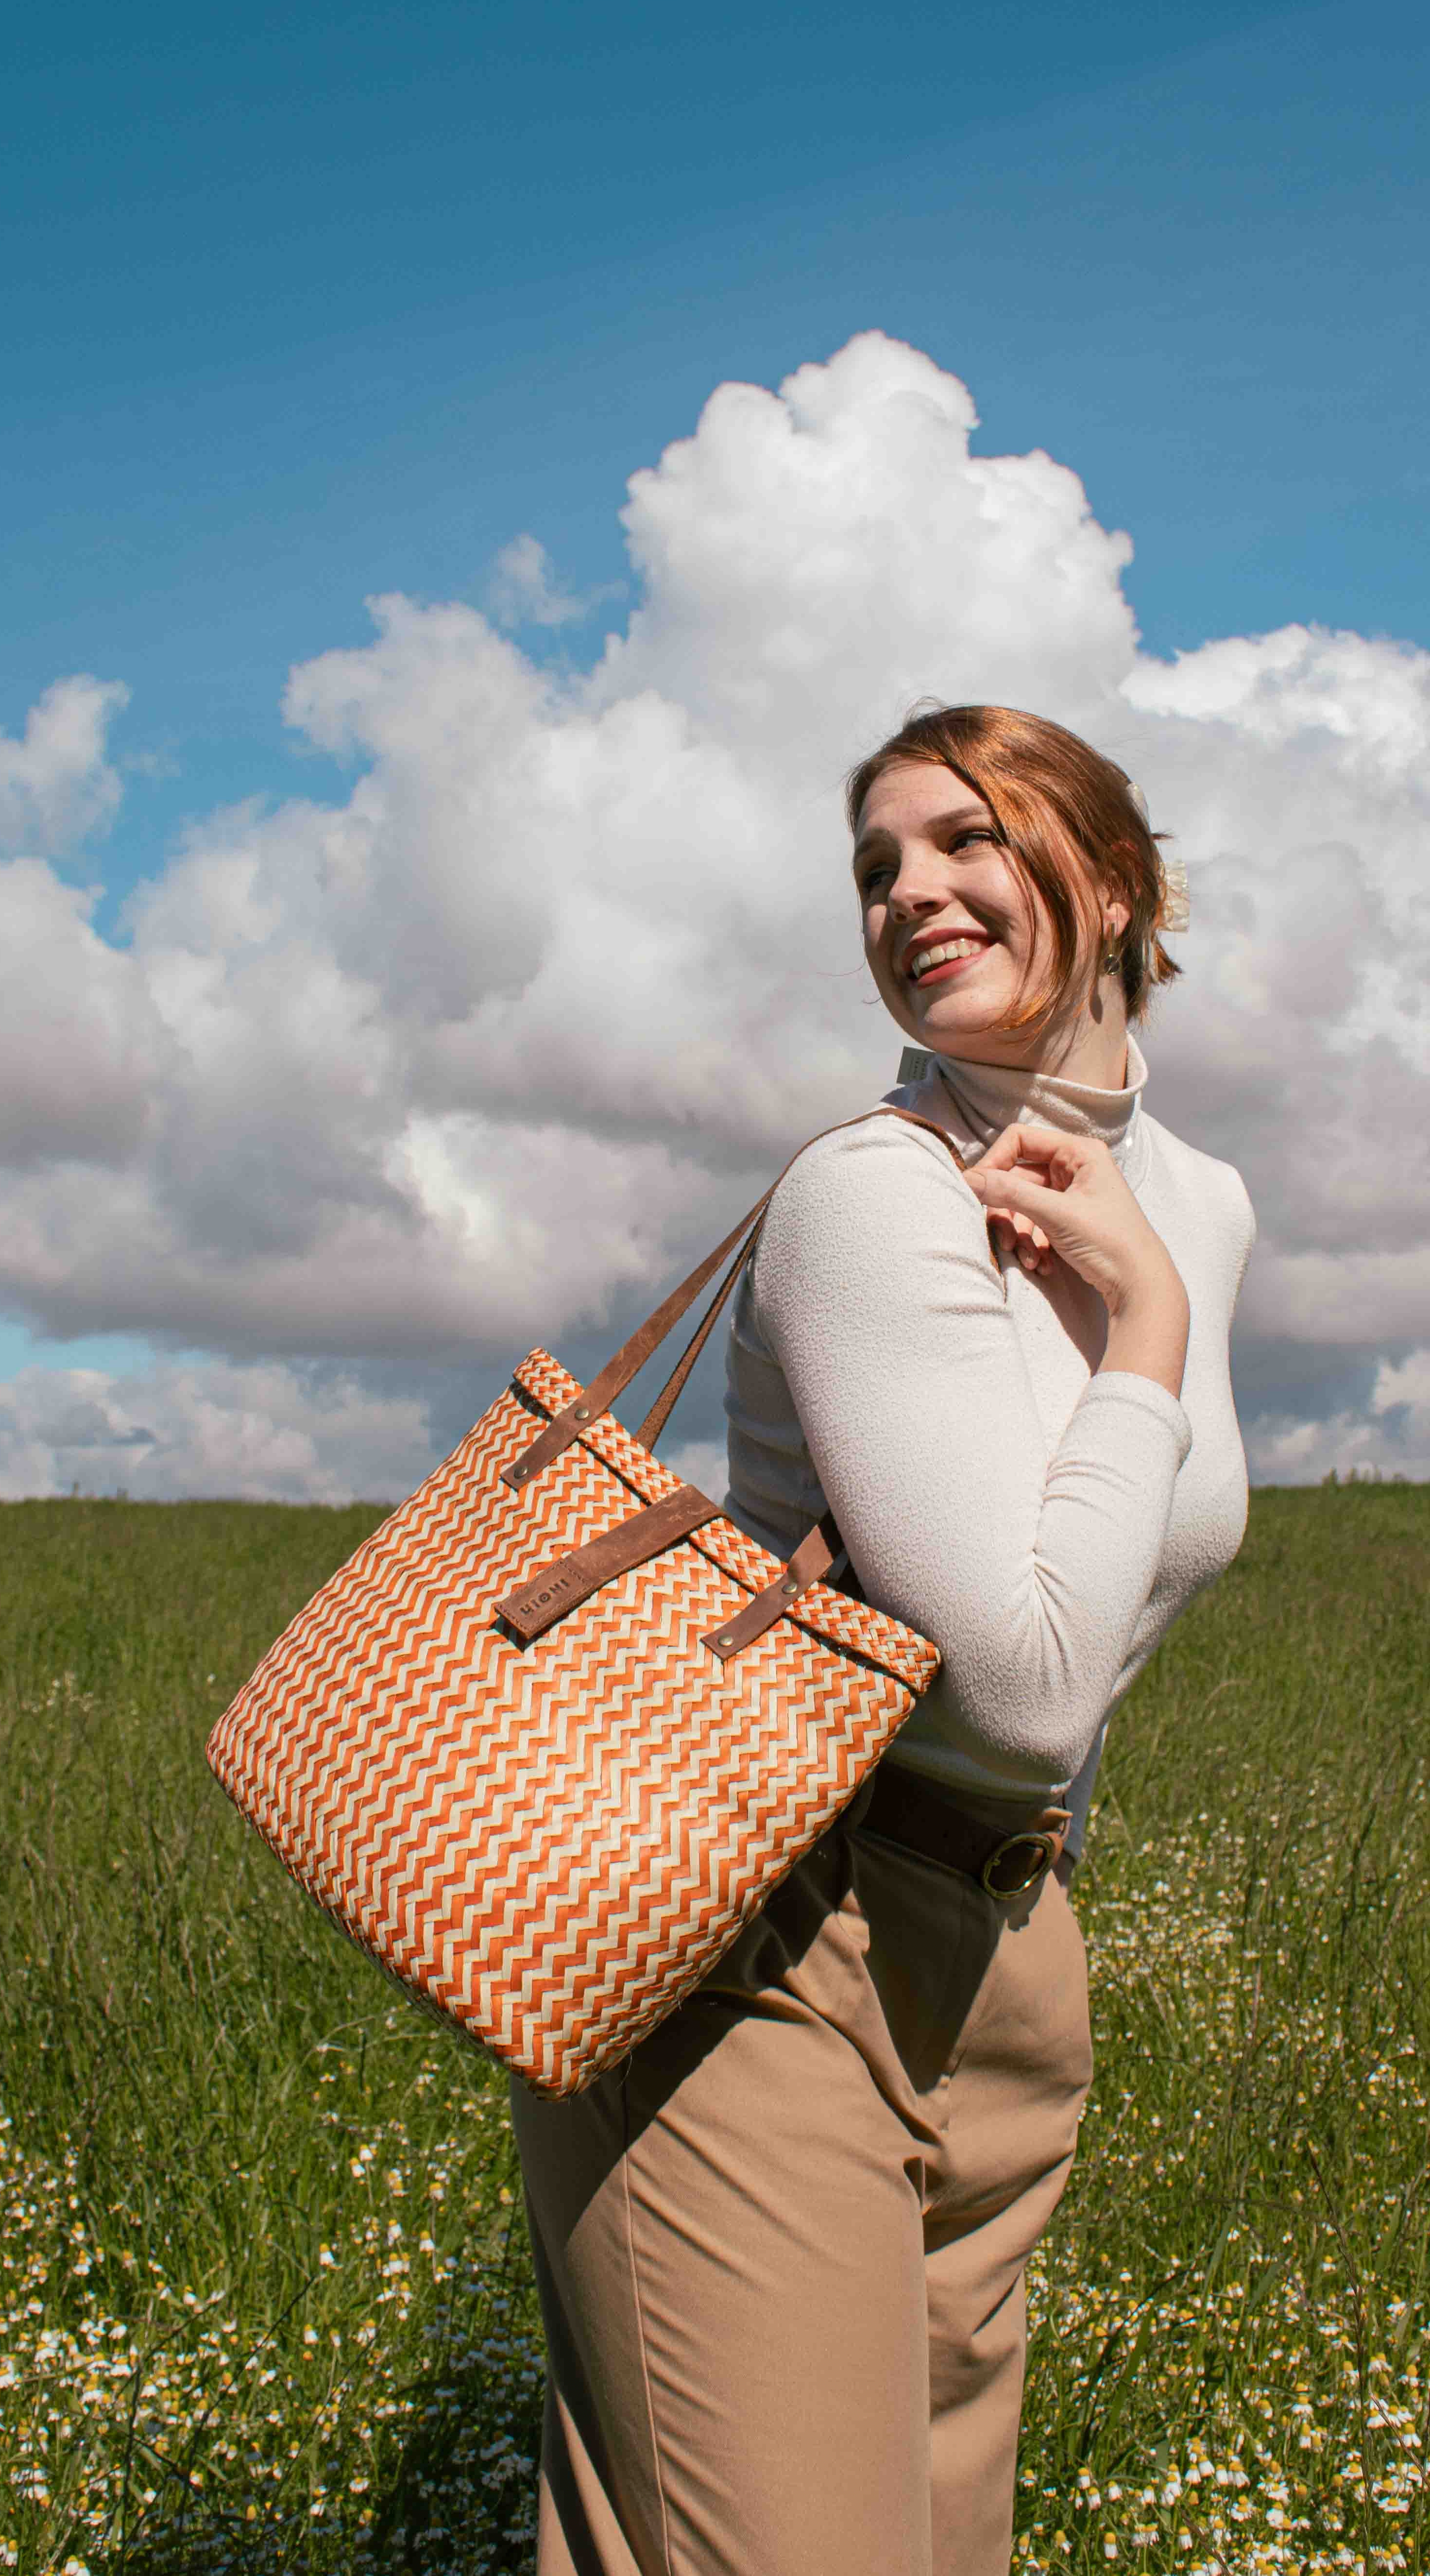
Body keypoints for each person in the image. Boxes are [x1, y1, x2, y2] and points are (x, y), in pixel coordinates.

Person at [511, 701, 1254, 2576]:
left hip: (1012, 1943)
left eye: (965, 839)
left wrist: (1160, 1279)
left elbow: (1105, 1603)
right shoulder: (875, 1191)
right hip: (763, 1943)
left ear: (1112, 870)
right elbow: (1017, 1683)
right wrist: (1144, 1338)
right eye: (874, 868)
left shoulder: (1208, 1206)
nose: (909, 892)